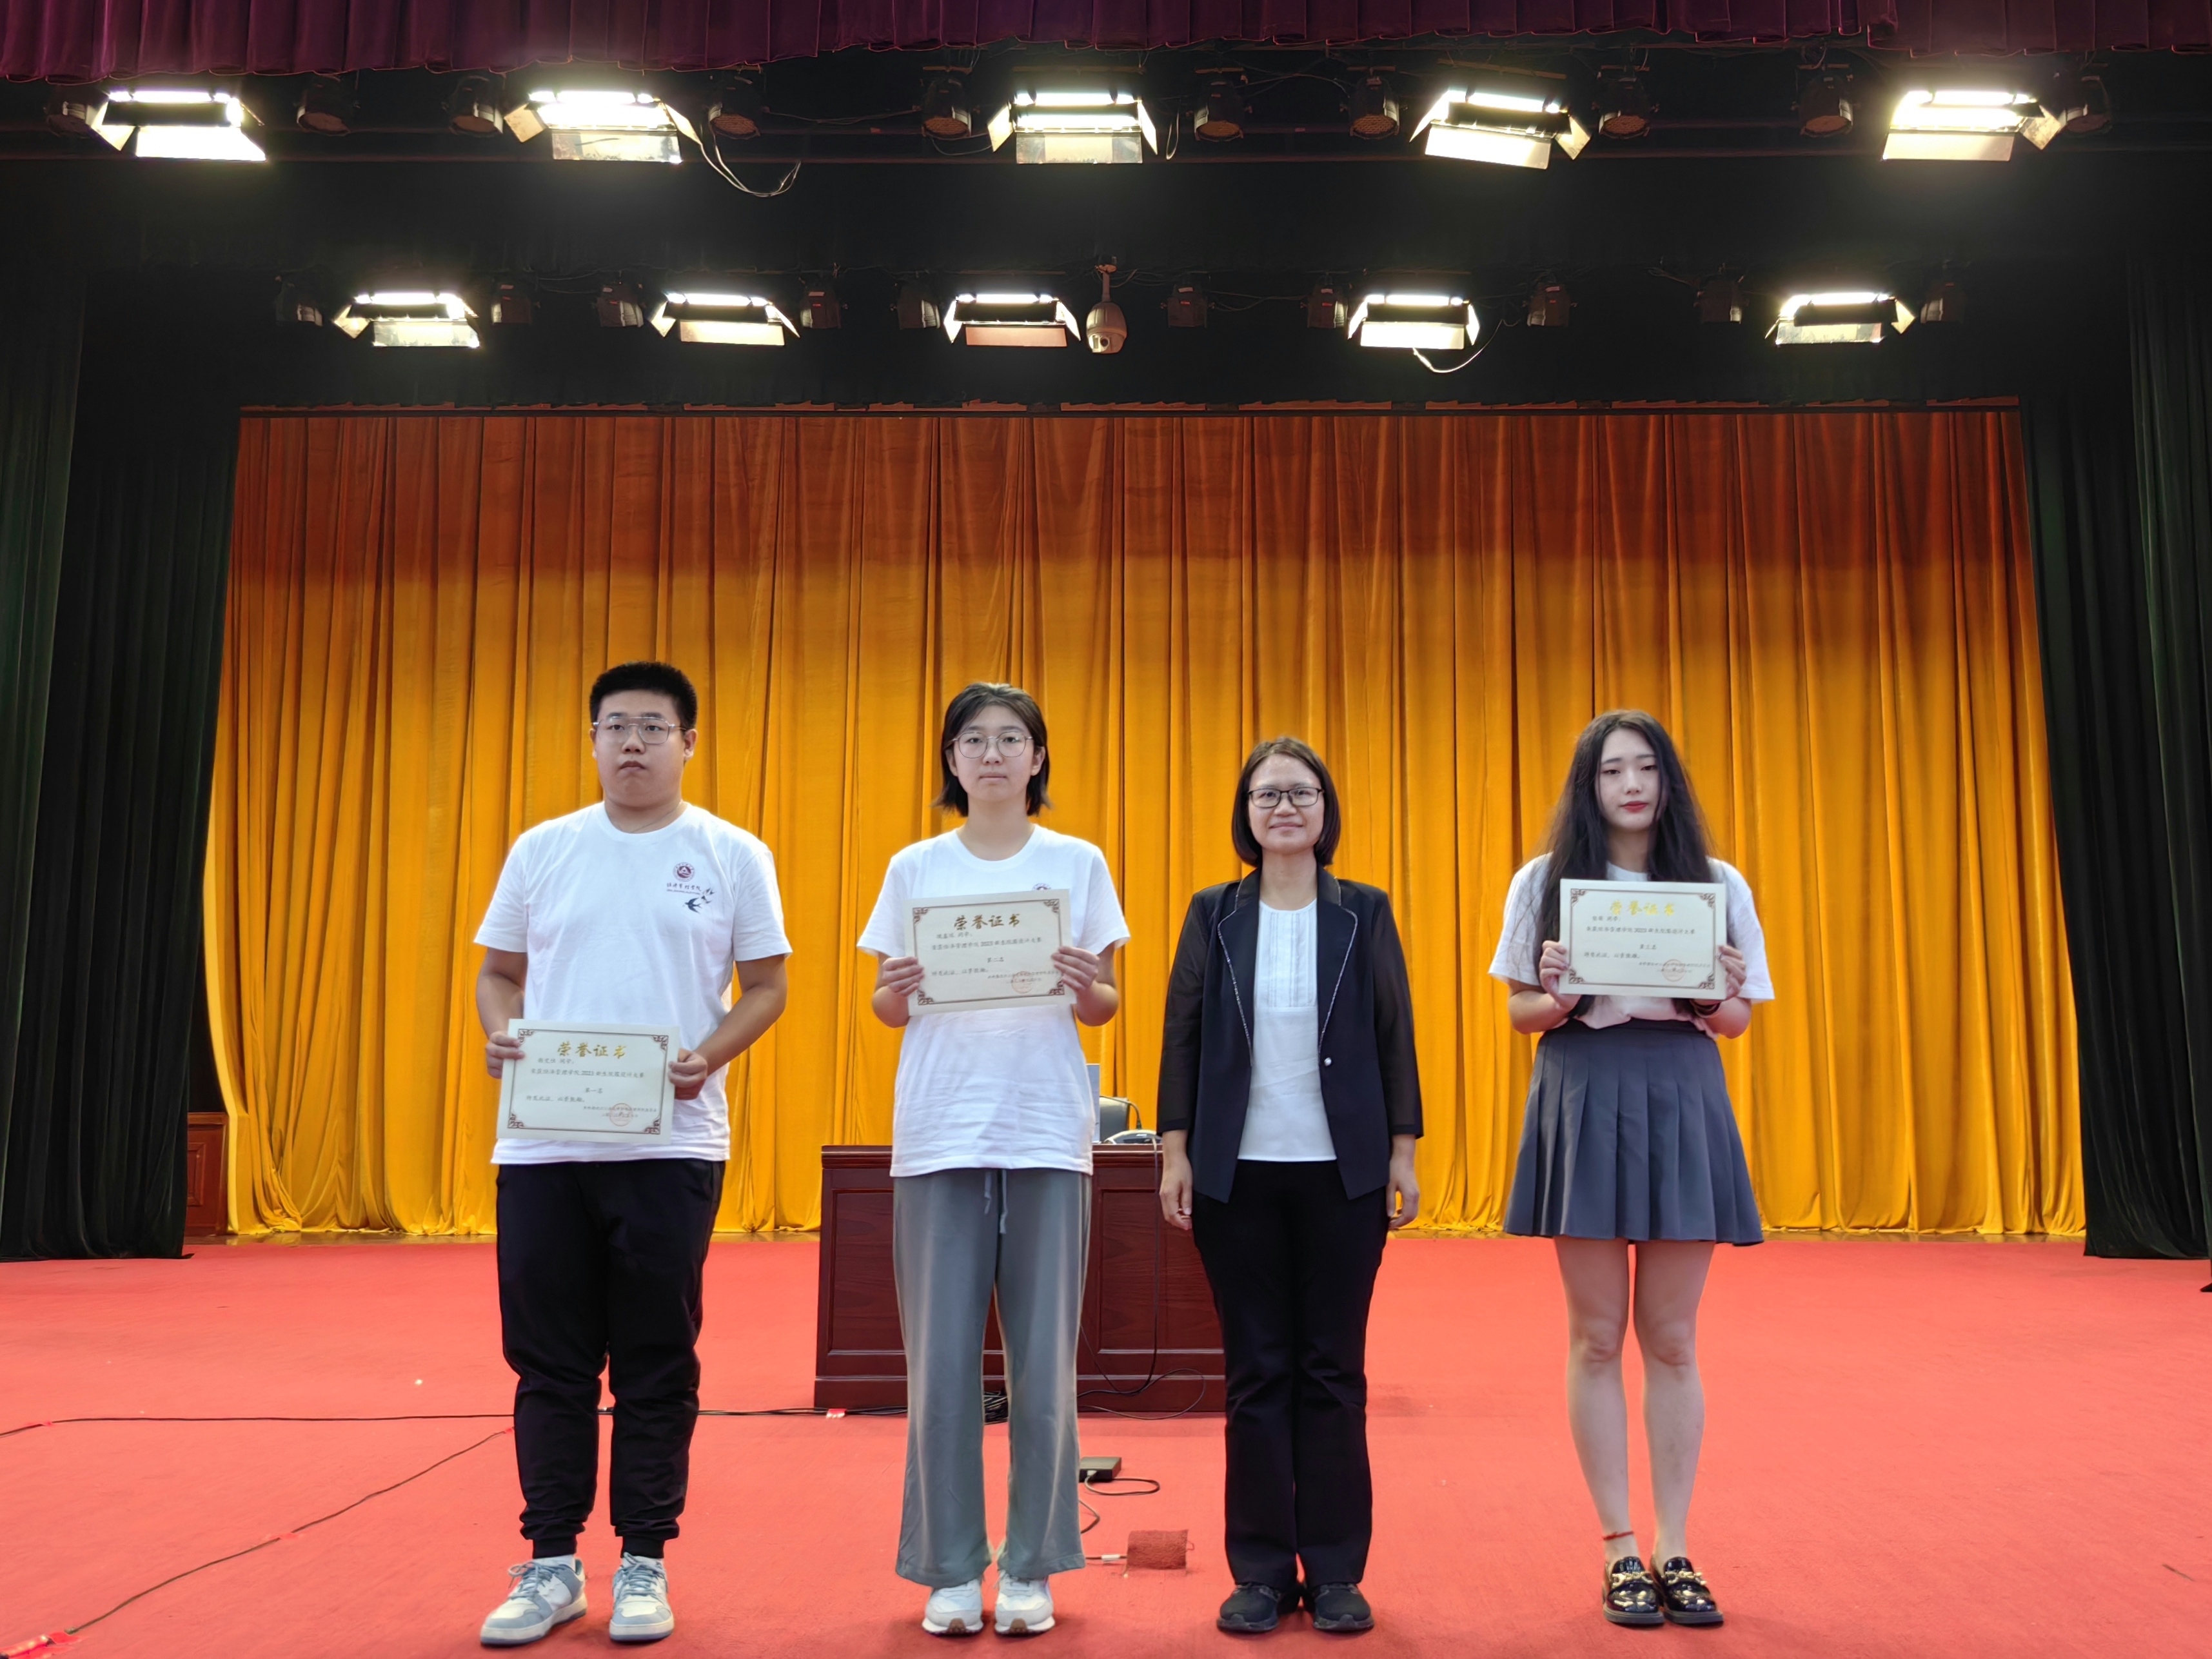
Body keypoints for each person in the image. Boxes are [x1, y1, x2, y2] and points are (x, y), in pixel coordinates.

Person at [472, 661, 792, 1647]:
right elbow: (498, 974)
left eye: (653, 727)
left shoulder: (731, 853)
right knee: (549, 1361)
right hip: (543, 1146)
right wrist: (501, 1034)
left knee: (656, 1356)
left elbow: (767, 987)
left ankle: (644, 1560)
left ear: (689, 742)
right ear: (593, 740)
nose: (633, 744)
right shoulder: (543, 849)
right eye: (615, 726)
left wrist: (708, 1057)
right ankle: (551, 1563)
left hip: (670, 1143)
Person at [858, 681, 1129, 1639]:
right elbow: (886, 1006)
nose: (992, 754)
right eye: (973, 739)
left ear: (1038, 757)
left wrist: (1087, 984)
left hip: (1044, 1128)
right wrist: (895, 989)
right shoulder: (915, 866)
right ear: (951, 759)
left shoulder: (1077, 862)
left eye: (1011, 739)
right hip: (942, 1131)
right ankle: (946, 1568)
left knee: (1043, 1366)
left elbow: (1103, 1005)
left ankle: (1030, 1567)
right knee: (940, 1367)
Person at [1492, 710, 1772, 1630]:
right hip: (1584, 1081)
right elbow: (1520, 1013)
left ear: (1667, 780)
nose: (1631, 785)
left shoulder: (1716, 882)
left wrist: (1717, 993)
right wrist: (1557, 992)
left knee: (1674, 1339)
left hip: (1682, 1086)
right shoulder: (1543, 882)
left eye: (1645, 768)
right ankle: (1619, 1548)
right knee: (1597, 1337)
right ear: (1589, 785)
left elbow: (1737, 1021)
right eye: (1612, 770)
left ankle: (1675, 1546)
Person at [1156, 737, 1423, 1638]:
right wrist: (1175, 1150)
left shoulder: (1363, 911)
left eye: (1300, 793)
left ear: (1324, 809)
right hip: (1237, 1175)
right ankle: (1263, 1572)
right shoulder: (1214, 913)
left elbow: (1393, 1031)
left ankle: (1337, 1570)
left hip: (1342, 1173)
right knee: (1255, 1373)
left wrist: (1401, 1151)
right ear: (1246, 812)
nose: (1284, 807)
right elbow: (1182, 1033)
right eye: (1267, 794)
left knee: (1333, 1371)